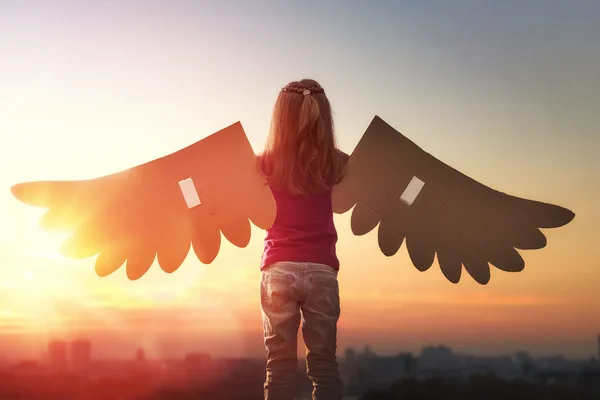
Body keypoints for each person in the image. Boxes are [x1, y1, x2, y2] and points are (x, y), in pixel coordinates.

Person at [256, 79, 349, 400]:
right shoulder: (339, 164)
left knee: (278, 367)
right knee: (324, 367)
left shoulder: (263, 164)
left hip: (278, 270)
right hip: (323, 272)